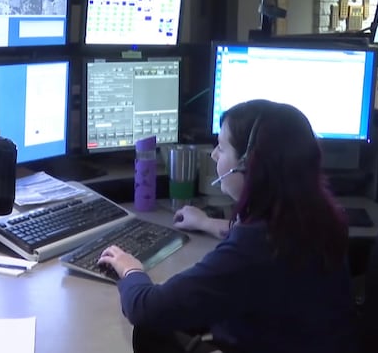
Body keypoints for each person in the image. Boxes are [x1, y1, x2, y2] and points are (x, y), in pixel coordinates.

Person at [98, 99, 355, 353]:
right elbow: (265, 248)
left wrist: (130, 270)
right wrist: (206, 222)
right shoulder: (315, 217)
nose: (213, 155)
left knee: (149, 332)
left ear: (248, 164)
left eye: (221, 148)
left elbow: (147, 309)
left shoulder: (254, 248)